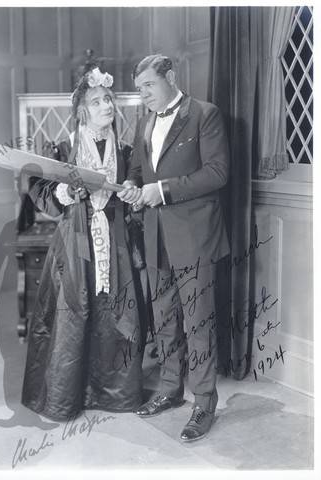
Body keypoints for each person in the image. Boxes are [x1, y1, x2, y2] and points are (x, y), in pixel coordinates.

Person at [21, 66, 144, 421]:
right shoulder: (64, 150)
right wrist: (65, 190)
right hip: (75, 246)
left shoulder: (127, 150)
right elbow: (37, 189)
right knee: (72, 316)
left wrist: (133, 193)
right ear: (82, 111)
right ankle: (65, 396)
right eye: (97, 101)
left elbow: (135, 189)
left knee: (114, 313)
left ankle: (114, 394)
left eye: (109, 99)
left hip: (114, 244)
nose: (106, 106)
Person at [118, 54, 230, 442]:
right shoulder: (144, 120)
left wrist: (161, 191)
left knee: (198, 322)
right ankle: (169, 390)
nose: (142, 94)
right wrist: (133, 187)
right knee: (164, 319)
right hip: (155, 237)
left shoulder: (205, 114)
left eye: (148, 85)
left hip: (195, 237)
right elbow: (136, 170)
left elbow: (217, 173)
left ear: (170, 77)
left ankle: (203, 403)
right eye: (139, 88)